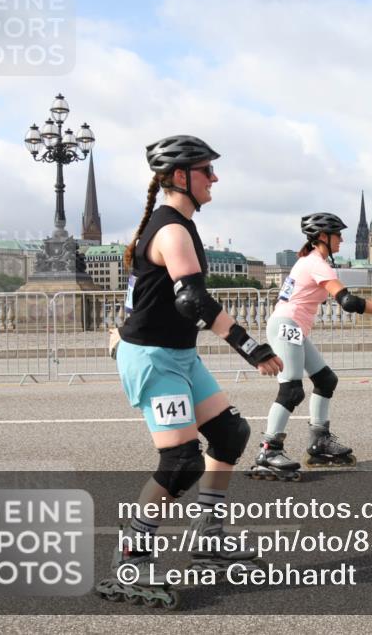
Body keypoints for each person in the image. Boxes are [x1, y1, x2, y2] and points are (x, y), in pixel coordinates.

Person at [95, 135, 284, 608]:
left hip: (177, 354)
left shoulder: (175, 224)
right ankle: (131, 561)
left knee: (230, 433)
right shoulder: (172, 230)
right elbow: (191, 300)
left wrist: (121, 326)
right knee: (181, 465)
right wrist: (251, 347)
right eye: (207, 171)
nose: (214, 178)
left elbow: (143, 291)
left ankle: (208, 535)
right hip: (156, 362)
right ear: (181, 177)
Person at [247, 212, 372, 481]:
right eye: (337, 235)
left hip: (291, 327)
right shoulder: (316, 263)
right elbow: (347, 302)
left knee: (325, 379)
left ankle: (319, 440)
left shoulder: (310, 262)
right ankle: (268, 449)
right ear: (323, 237)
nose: (342, 239)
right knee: (291, 390)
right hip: (287, 326)